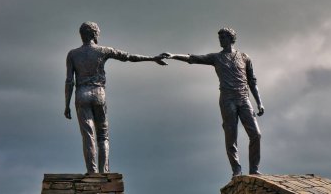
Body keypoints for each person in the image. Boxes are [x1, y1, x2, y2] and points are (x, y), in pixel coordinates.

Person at [65, 21, 167, 174]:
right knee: (103, 135)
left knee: (88, 135)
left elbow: (69, 81)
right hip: (99, 93)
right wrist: (152, 58)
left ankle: (92, 172)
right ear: (94, 34)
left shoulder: (72, 54)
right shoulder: (103, 50)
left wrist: (66, 104)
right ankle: (104, 172)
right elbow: (128, 56)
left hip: (81, 95)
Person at [162, 27, 264, 177]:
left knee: (256, 134)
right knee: (231, 136)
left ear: (231, 38)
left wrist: (259, 102)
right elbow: (194, 58)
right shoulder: (216, 58)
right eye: (219, 38)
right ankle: (236, 170)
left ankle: (254, 169)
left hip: (244, 98)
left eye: (223, 37)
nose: (220, 40)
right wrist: (173, 55)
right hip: (227, 100)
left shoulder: (244, 57)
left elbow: (252, 81)